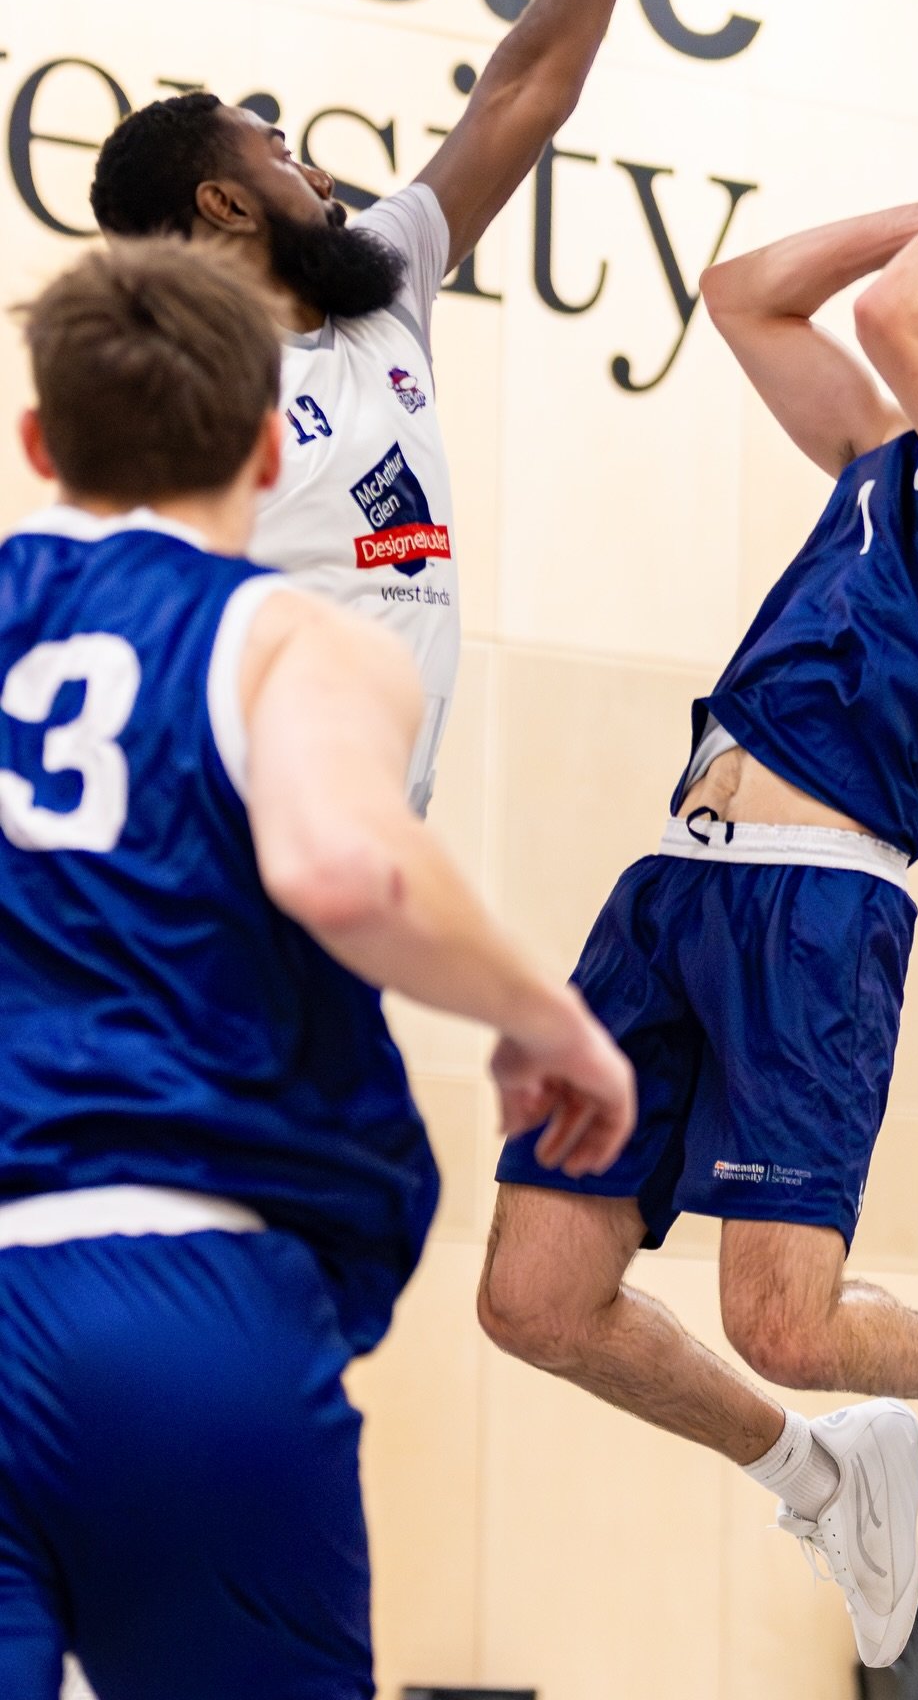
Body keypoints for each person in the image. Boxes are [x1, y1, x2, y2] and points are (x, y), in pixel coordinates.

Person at [477, 56, 918, 1668]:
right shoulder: (891, 463)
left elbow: (890, 324)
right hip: (669, 882)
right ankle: (817, 1469)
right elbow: (747, 296)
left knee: (786, 1319)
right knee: (533, 1303)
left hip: (820, 902)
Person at [1, 238, 632, 1700]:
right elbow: (344, 867)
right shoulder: (285, 634)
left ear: (38, 442)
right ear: (272, 445)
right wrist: (545, 1020)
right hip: (181, 1294)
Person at [86, 0, 731, 813]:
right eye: (284, 158)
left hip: (374, 815)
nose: (327, 180)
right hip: (233, 813)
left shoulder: (378, 287)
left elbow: (521, 90)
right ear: (226, 205)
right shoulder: (185, 401)